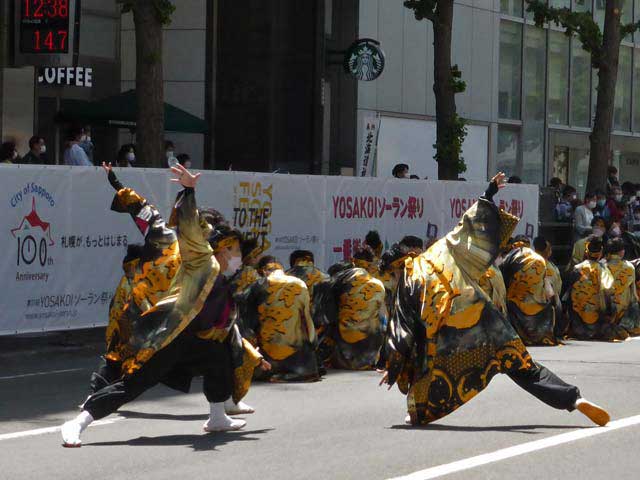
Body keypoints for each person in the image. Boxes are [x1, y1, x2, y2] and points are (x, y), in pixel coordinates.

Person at [380, 173, 609, 428]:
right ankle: (574, 399)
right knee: (524, 366)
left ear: (399, 265)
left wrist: (391, 360)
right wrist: (488, 193)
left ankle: (418, 412)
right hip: (486, 317)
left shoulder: (410, 276)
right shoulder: (441, 250)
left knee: (428, 364)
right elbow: (467, 227)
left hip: (453, 334)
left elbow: (403, 325)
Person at [61, 163, 266, 447]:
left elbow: (225, 325)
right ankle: (80, 421)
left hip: (189, 331)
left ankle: (218, 415)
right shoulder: (196, 254)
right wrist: (186, 190)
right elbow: (148, 212)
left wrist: (250, 352)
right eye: (231, 248)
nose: (236, 255)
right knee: (131, 379)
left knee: (218, 356)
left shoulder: (224, 277)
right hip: (159, 325)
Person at [239, 256, 320, 382]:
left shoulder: (258, 285)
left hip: (269, 360)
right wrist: (313, 346)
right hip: (302, 363)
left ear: (264, 271)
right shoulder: (300, 283)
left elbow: (248, 323)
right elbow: (309, 323)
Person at [316, 249, 387, 370]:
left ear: (353, 262)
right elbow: (385, 318)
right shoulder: (378, 284)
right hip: (371, 351)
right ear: (370, 265)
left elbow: (327, 313)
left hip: (344, 350)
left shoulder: (340, 279)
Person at [564, 236, 629, 342]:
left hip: (577, 320)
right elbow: (608, 291)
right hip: (597, 320)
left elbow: (567, 293)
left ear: (586, 251)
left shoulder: (576, 268)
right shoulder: (602, 269)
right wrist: (610, 312)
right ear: (601, 252)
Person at [500, 235, 557, 346]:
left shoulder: (509, 257)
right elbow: (550, 292)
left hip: (516, 307)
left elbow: (503, 285)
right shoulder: (540, 259)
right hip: (538, 308)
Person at [605, 237, 640, 337]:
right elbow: (634, 295)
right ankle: (628, 326)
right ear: (621, 252)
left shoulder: (602, 266)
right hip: (622, 311)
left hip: (605, 311)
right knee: (634, 303)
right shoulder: (629, 267)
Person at [534, 238, 566, 339]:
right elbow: (557, 287)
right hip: (547, 300)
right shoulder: (548, 267)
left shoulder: (529, 263)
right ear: (547, 251)